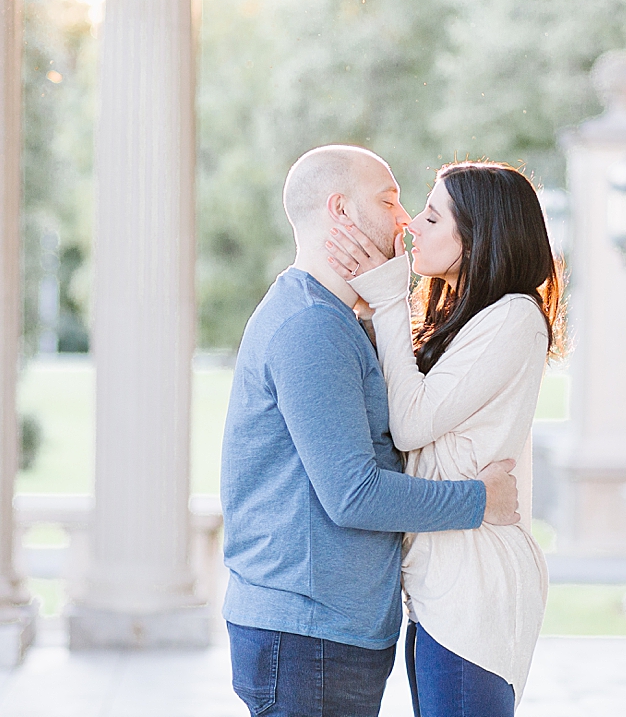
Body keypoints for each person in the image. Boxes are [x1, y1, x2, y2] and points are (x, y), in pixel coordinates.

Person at [221, 146, 522, 717]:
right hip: (309, 635)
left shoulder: (340, 321)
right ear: (341, 211)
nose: (405, 219)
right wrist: (480, 500)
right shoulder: (312, 328)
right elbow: (354, 494)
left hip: (329, 631)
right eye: (388, 201)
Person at [325, 161, 564, 717]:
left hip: (473, 586)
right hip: (438, 583)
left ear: (476, 236)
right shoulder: (464, 316)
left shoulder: (514, 316)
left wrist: (387, 298)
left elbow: (411, 423)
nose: (411, 228)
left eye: (432, 217)